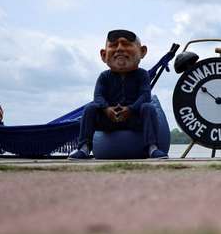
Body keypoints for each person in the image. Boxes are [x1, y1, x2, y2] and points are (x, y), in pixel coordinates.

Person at [69, 29, 166, 160]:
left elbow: (145, 96)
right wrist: (106, 109)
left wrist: (130, 109)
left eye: (126, 44)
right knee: (90, 108)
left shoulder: (142, 75)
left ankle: (152, 147)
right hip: (109, 119)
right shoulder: (104, 76)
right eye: (114, 45)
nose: (120, 49)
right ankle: (84, 147)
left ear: (142, 51)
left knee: (148, 107)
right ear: (103, 55)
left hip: (134, 119)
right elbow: (98, 96)